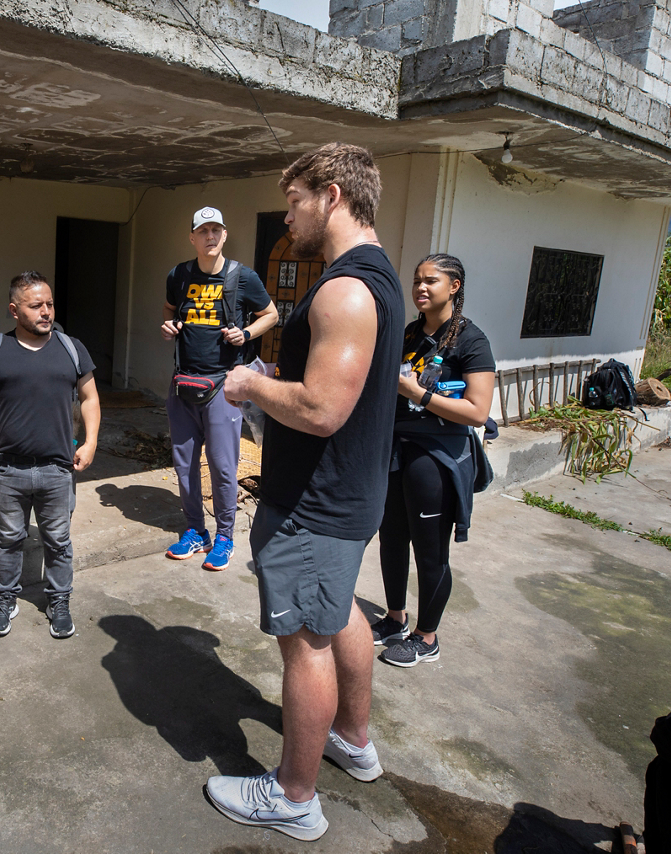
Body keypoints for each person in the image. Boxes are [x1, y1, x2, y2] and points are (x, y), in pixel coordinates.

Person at [208, 143, 405, 841]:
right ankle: (351, 738)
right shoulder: (374, 277)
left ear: (332, 194)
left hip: (316, 506)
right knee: (339, 611)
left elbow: (322, 408)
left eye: (293, 201)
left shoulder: (347, 289)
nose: (286, 216)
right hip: (346, 498)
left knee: (307, 642)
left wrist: (251, 383)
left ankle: (294, 796)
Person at [0, 271, 101, 639]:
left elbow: (91, 398)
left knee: (58, 540)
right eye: (36, 306)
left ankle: (59, 600)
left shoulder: (71, 348)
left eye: (49, 304)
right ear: (15, 310)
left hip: (57, 468)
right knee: (9, 539)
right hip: (8, 469)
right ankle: (5, 600)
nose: (46, 312)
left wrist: (91, 440)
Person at [372, 254, 495, 667]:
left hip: (436, 458)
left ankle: (427, 637)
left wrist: (418, 394)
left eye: (431, 281)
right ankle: (394, 619)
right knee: (391, 539)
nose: (421, 288)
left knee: (429, 551)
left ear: (454, 287)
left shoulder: (472, 341)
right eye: (417, 281)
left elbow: (478, 412)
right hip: (396, 452)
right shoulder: (410, 334)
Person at [161, 206, 277, 571]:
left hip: (224, 384)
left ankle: (225, 535)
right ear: (192, 237)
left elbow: (271, 315)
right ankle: (197, 530)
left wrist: (245, 333)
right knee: (183, 465)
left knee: (223, 467)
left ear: (224, 235)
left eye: (216, 230)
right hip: (183, 382)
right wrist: (169, 326)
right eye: (203, 231)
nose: (210, 237)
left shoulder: (244, 277)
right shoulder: (178, 275)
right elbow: (168, 310)